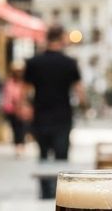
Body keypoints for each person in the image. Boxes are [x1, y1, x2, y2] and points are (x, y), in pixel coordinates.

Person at [24, 23, 84, 161]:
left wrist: (25, 106)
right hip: (62, 113)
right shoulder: (69, 63)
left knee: (43, 154)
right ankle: (59, 182)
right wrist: (83, 106)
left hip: (41, 113)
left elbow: (25, 89)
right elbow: (79, 89)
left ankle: (46, 183)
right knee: (61, 154)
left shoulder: (34, 62)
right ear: (62, 38)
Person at [0, 61, 32, 156]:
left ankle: (21, 144)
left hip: (23, 108)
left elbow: (29, 95)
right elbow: (6, 95)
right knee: (15, 127)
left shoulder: (25, 82)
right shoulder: (9, 82)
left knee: (22, 127)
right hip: (11, 109)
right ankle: (17, 144)